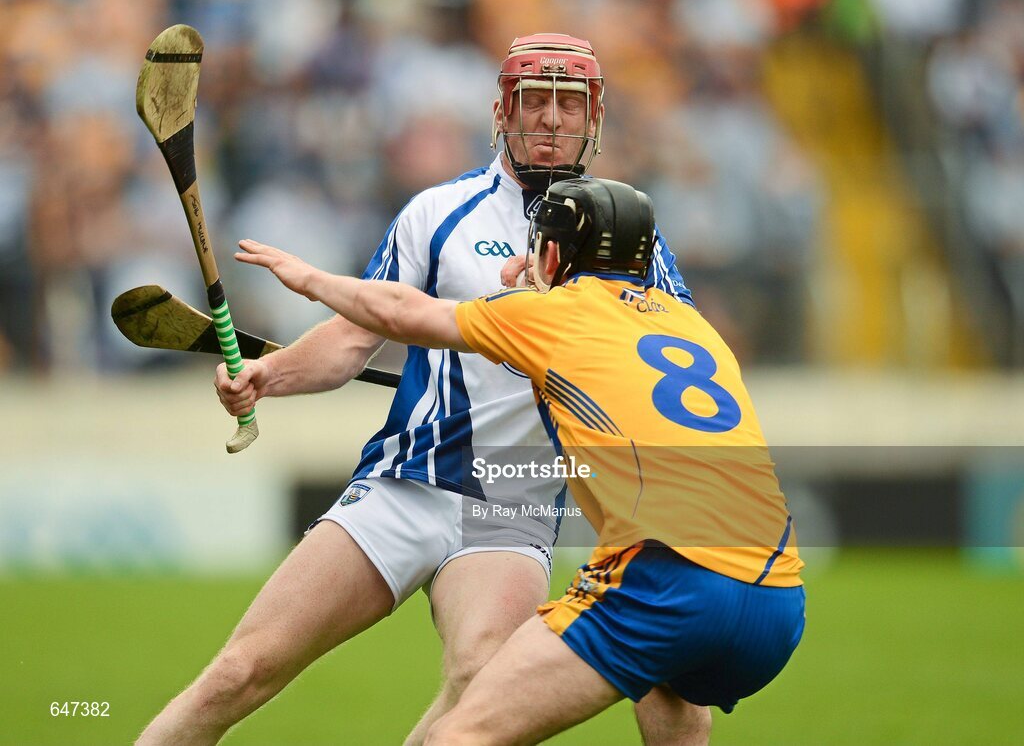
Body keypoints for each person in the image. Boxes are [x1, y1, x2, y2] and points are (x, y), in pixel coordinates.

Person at [137, 35, 696, 745]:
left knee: (481, 681)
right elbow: (349, 340)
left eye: (569, 102)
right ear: (502, 111)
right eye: (535, 100)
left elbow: (674, 354)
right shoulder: (439, 214)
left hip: (512, 506)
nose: (552, 119)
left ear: (596, 116)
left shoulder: (630, 237)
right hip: (408, 484)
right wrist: (266, 376)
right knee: (242, 670)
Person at [229, 176, 806, 745]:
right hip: (778, 600)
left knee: (459, 737)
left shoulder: (554, 312)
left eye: (534, 247)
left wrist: (309, 279)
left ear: (553, 253)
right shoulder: (695, 327)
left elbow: (404, 311)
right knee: (673, 700)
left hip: (668, 577)